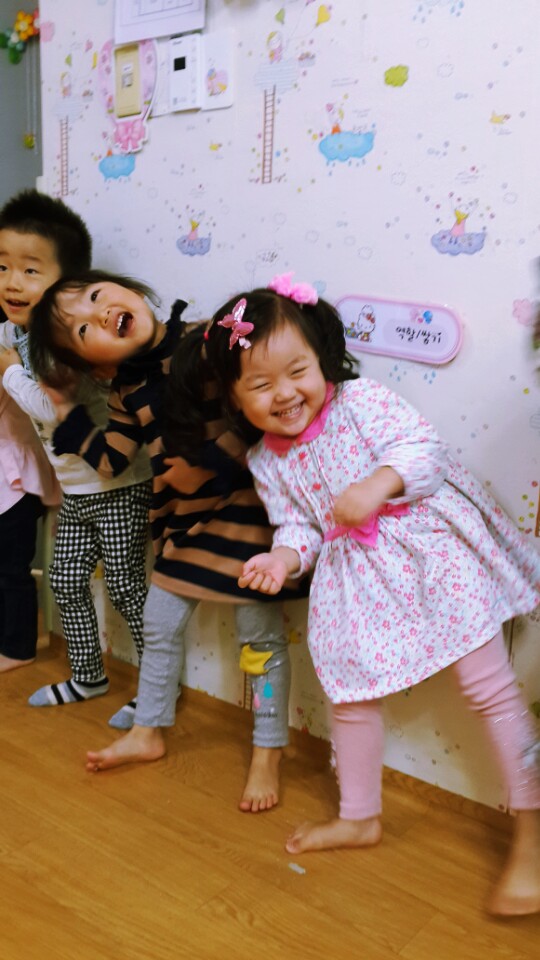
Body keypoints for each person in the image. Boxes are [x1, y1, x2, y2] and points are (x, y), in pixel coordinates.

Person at [202, 271, 540, 915]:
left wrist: (377, 484)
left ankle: (533, 832)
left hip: (432, 558)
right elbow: (298, 526)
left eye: (297, 370)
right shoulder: (267, 461)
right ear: (235, 397)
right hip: (355, 579)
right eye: (261, 385)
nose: (285, 393)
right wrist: (280, 558)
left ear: (322, 358)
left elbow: (424, 452)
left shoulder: (360, 401)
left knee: (490, 690)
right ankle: (359, 816)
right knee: (350, 695)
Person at [28, 270, 308, 812]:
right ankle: (148, 731)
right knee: (158, 626)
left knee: (259, 642)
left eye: (95, 296)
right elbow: (111, 460)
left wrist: (205, 466)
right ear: (98, 366)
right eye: (83, 330)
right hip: (184, 526)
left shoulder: (206, 343)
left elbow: (260, 413)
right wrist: (65, 412)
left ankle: (268, 750)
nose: (98, 313)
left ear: (131, 291)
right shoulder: (125, 390)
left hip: (246, 517)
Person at [0, 191, 151, 725]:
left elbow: (51, 408)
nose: (12, 283)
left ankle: (156, 690)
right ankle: (89, 675)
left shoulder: (66, 343)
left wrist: (7, 370)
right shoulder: (15, 333)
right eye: (2, 267)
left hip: (118, 486)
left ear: (69, 285)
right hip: (77, 491)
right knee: (64, 581)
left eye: (30, 270)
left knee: (128, 588)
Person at [0, 377, 61, 670]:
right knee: (8, 570)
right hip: (11, 477)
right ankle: (9, 643)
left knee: (12, 570)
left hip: (15, 480)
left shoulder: (8, 360)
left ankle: (19, 649)